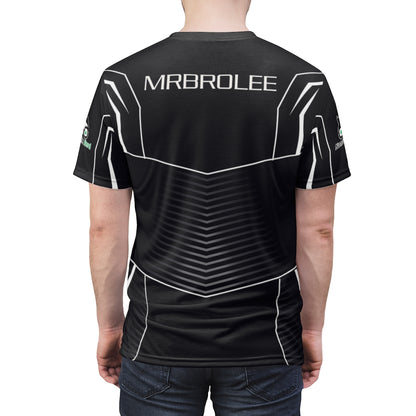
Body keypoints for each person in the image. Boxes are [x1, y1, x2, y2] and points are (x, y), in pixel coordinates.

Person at [73, 0, 351, 414]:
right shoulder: (304, 85)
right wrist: (311, 329)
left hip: (156, 338)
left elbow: (104, 228)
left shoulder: (121, 84)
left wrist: (110, 326)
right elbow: (319, 229)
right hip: (267, 341)